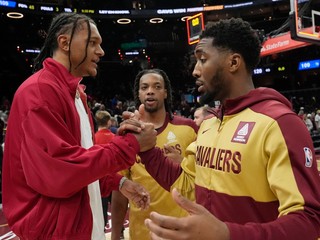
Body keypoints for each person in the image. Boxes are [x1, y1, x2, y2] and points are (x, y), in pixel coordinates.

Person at [123, 18, 320, 239]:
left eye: (202, 60)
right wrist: (148, 149)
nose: (195, 71)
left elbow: (307, 221)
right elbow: (186, 184)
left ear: (233, 63)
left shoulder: (280, 123)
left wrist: (228, 234)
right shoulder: (209, 124)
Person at [2, 12, 157, 240]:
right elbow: (60, 172)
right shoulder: (39, 91)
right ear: (64, 42)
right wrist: (131, 143)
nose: (101, 51)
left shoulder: (77, 95)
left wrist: (118, 182)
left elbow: (82, 161)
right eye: (92, 42)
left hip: (83, 226)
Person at [111, 69, 198, 240]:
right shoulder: (126, 136)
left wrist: (183, 163)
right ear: (139, 94)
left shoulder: (189, 128)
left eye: (157, 86)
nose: (150, 90)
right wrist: (115, 235)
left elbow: (205, 179)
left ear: (165, 93)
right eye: (144, 87)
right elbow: (119, 191)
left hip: (183, 232)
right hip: (142, 233)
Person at [94, 110, 115, 232]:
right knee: (117, 205)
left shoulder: (93, 138)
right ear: (108, 122)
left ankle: (102, 230)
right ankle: (121, 230)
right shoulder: (114, 138)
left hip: (99, 178)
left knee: (101, 207)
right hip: (115, 176)